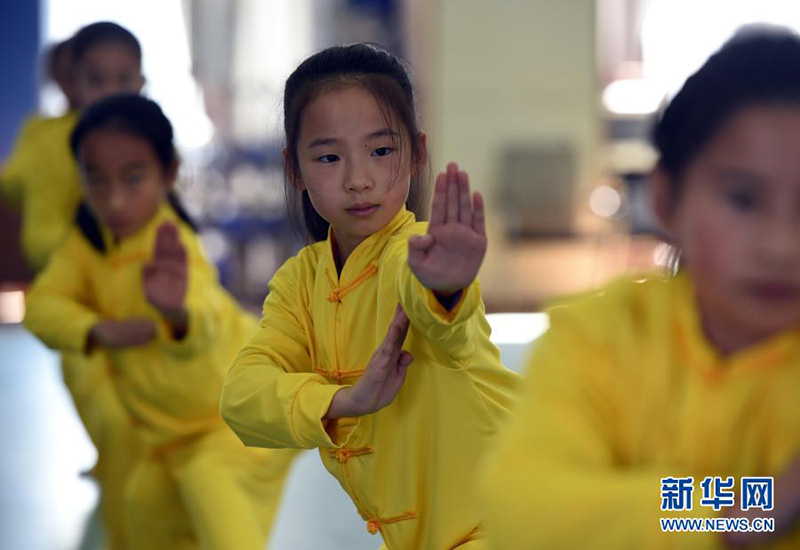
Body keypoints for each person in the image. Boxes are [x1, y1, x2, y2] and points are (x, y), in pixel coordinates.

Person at [480, 27, 800, 550]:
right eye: (744, 199)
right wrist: (747, 509)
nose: (782, 246)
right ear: (668, 200)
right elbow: (521, 507)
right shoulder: (602, 337)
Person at [220, 43, 520, 550]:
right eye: (330, 156)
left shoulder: (413, 256)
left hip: (515, 511)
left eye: (381, 151)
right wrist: (345, 401)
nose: (359, 180)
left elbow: (444, 321)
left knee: (689, 509)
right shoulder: (299, 283)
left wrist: (445, 288)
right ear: (294, 168)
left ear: (417, 153)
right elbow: (243, 395)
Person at [24, 94, 296, 550]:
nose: (114, 201)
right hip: (170, 436)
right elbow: (40, 307)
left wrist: (176, 315)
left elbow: (204, 310)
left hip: (238, 421)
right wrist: (97, 329)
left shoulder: (172, 244)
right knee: (140, 505)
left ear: (169, 173)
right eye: (96, 180)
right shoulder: (88, 242)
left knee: (210, 489)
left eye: (133, 179)